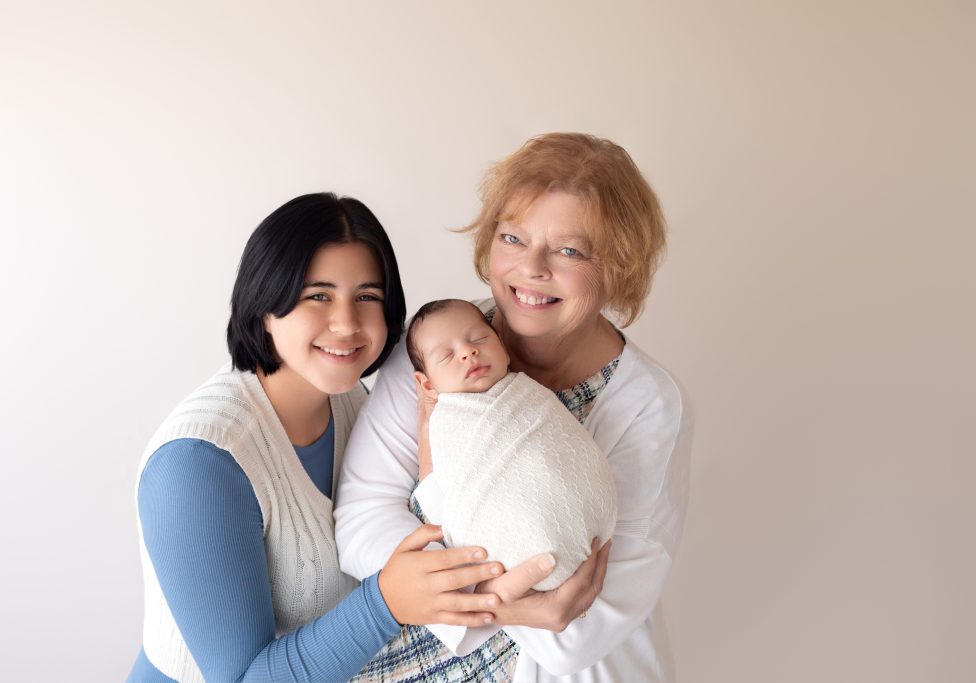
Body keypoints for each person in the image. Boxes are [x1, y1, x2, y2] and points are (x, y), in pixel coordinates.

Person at [336, 133, 693, 682]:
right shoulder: (435, 346)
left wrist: (423, 591)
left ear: (617, 266)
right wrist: (500, 606)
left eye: (569, 250)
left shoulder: (647, 404)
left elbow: (577, 631)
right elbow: (360, 526)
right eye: (512, 237)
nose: (531, 268)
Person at [128, 193, 510, 683]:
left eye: (367, 297)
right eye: (318, 295)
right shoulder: (197, 464)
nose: (348, 324)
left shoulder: (353, 402)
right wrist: (385, 603)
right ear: (266, 302)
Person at [405, 298, 617, 591]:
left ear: (503, 348)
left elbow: (561, 444)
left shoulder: (527, 391)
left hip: (592, 517)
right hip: (516, 557)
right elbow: (437, 501)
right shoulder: (444, 423)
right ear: (427, 384)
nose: (468, 352)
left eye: (479, 338)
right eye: (446, 355)